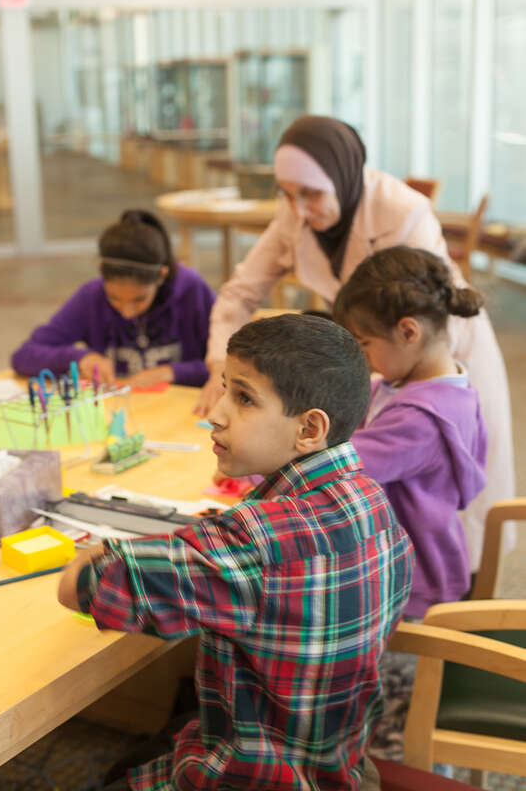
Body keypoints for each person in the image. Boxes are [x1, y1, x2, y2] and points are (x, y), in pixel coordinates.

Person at [58, 314, 414, 791]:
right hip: (339, 765)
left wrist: (104, 550)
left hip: (250, 777)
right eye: (224, 389)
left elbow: (80, 585)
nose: (216, 413)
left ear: (309, 429)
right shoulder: (373, 503)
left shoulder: (253, 542)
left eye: (244, 398)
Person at [195, 114, 515, 579]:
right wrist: (218, 366)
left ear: (341, 174)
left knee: (443, 499)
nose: (299, 209)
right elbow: (241, 291)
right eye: (287, 194)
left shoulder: (401, 211)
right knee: (413, 494)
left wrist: (266, 464)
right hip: (385, 355)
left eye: (310, 194)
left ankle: (451, 593)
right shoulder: (297, 208)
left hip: (439, 350)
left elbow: (415, 319)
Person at [334, 245, 487, 616]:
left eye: (364, 343)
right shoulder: (429, 384)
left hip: (411, 585)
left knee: (397, 674)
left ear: (407, 332)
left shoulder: (423, 419)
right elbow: (355, 411)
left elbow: (342, 466)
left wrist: (265, 461)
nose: (362, 356)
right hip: (406, 566)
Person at [11, 209, 216, 388]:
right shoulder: (91, 296)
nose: (127, 312)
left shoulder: (192, 291)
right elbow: (24, 356)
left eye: (139, 300)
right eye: (115, 299)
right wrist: (81, 358)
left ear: (161, 276)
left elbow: (234, 365)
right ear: (102, 274)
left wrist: (172, 372)